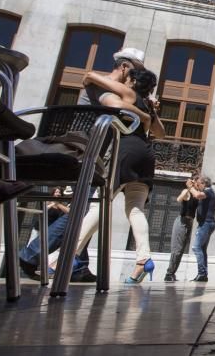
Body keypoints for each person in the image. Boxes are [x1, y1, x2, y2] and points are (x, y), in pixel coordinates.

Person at [51, 66, 163, 285]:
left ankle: (64, 256)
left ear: (131, 81)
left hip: (126, 151)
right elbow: (160, 133)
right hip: (146, 155)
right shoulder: (148, 105)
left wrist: (91, 76)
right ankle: (144, 258)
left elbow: (95, 79)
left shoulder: (130, 94)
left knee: (100, 204)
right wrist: (151, 112)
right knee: (136, 209)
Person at [164, 174, 203, 282]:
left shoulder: (197, 194)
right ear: (194, 181)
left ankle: (172, 273)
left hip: (189, 223)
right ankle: (169, 273)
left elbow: (200, 196)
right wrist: (188, 188)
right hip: (181, 222)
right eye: (199, 181)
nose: (201, 184)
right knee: (176, 249)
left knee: (181, 250)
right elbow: (179, 199)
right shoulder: (187, 192)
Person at [191, 176, 215, 282]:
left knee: (196, 248)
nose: (197, 185)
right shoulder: (207, 191)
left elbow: (197, 195)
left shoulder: (208, 191)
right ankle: (203, 274)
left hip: (206, 223)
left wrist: (190, 187)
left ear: (204, 184)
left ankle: (201, 273)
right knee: (202, 249)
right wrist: (194, 187)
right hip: (206, 223)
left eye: (198, 183)